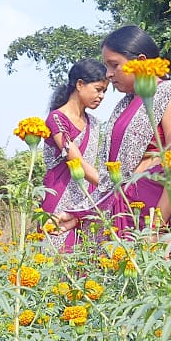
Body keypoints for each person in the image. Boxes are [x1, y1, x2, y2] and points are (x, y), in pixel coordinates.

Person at [57, 26, 171, 234]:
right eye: (106, 66)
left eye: (114, 65)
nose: (109, 74)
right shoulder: (126, 105)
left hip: (153, 216)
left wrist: (155, 228)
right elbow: (116, 175)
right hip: (124, 215)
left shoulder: (170, 99)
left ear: (140, 62)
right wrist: (81, 214)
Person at [41, 59, 108, 249]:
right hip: (59, 197)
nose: (102, 96)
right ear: (80, 84)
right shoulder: (57, 119)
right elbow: (76, 161)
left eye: (104, 91)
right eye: (98, 89)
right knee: (56, 258)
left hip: (88, 199)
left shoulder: (93, 122)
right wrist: (111, 188)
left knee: (85, 259)